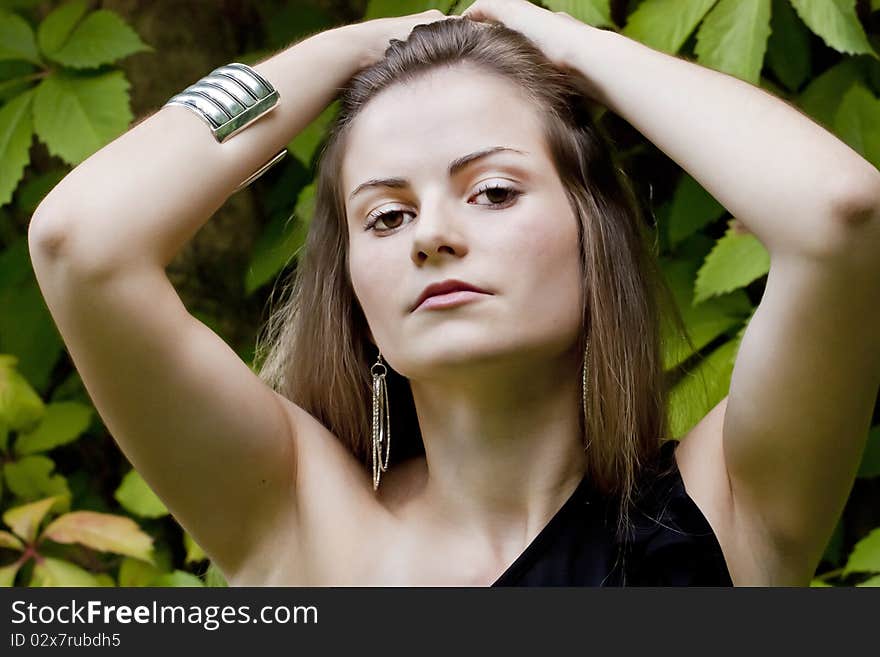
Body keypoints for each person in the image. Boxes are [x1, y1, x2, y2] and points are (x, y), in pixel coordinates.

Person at [27, 0, 880, 587]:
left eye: (494, 192)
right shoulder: (297, 516)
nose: (433, 234)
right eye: (387, 216)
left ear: (594, 235)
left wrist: (574, 48)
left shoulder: (730, 507)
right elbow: (81, 242)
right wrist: (341, 52)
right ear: (353, 286)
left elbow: (839, 214)